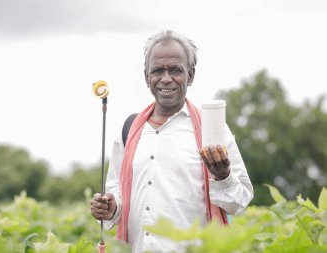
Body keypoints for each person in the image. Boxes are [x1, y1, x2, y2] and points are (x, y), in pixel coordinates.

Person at [90, 30, 253, 253]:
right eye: (158, 70)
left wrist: (223, 176)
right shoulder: (129, 129)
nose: (166, 78)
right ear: (147, 77)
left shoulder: (211, 130)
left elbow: (240, 201)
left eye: (175, 70)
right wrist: (111, 206)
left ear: (191, 75)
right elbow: (117, 193)